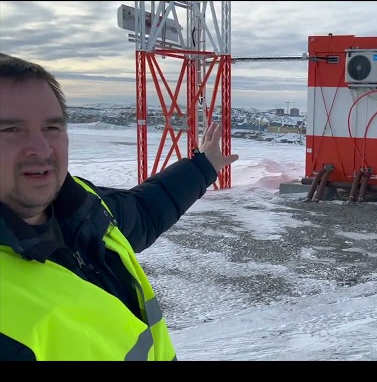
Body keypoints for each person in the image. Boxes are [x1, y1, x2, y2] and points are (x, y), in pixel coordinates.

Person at [0, 54, 239, 361]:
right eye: (10, 130)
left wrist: (203, 167)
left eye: (52, 127)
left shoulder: (78, 205)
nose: (42, 149)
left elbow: (143, 212)